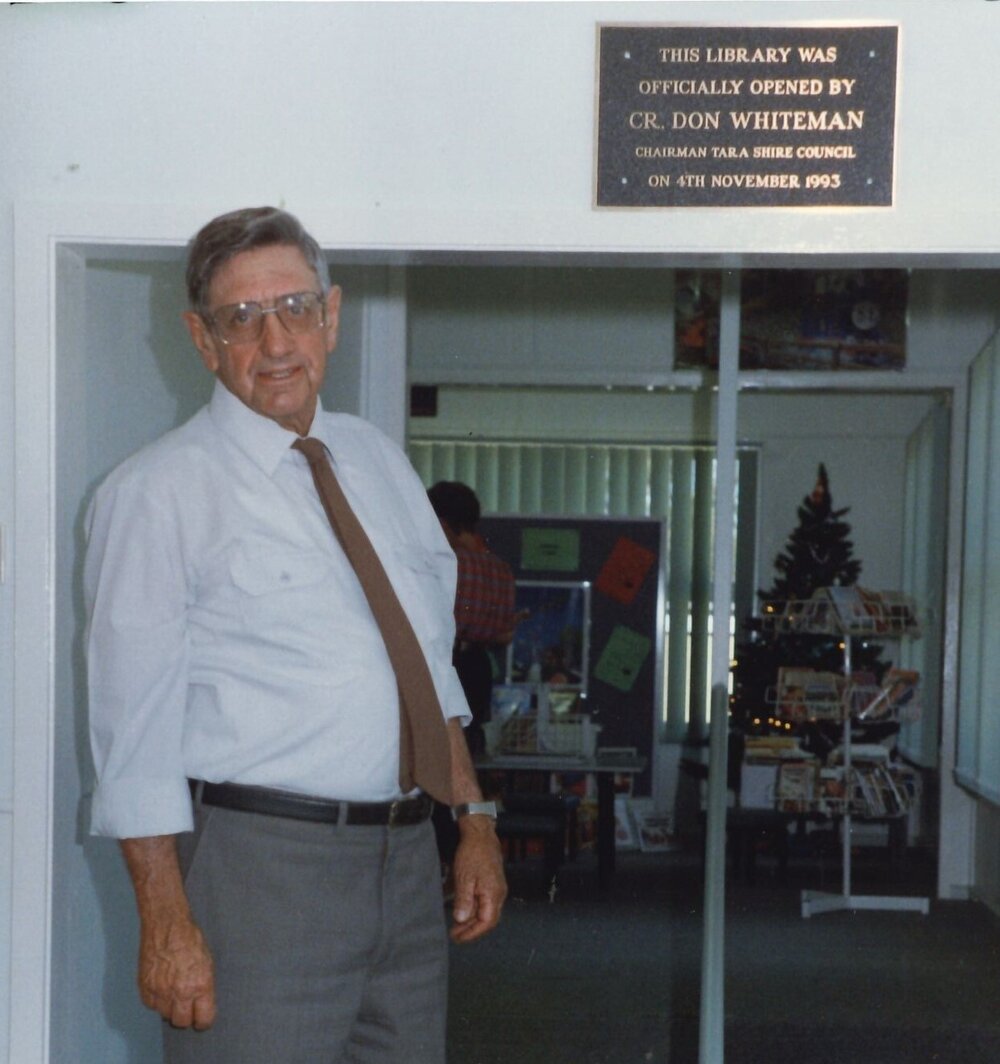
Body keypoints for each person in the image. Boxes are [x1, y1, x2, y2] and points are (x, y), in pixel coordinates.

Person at [84, 206, 506, 1064]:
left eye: (295, 308)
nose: (276, 341)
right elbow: (131, 736)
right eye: (242, 318)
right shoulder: (156, 493)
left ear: (333, 316)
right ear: (203, 341)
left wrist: (474, 821)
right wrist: (165, 924)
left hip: (402, 866)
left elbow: (426, 668)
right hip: (259, 875)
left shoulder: (377, 462)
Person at [426, 481, 517, 758]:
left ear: (440, 522)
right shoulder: (500, 570)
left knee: (439, 757)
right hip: (478, 670)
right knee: (475, 760)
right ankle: (479, 804)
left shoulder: (442, 564)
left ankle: (436, 805)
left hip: (444, 663)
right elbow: (505, 634)